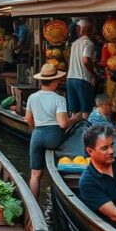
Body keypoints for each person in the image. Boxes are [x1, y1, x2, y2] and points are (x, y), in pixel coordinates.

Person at [26, 64, 82, 196]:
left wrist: (36, 130)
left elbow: (28, 119)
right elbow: (63, 124)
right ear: (54, 82)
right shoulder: (59, 99)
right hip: (54, 137)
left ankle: (33, 205)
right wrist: (75, 118)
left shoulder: (32, 97)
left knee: (35, 174)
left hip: (37, 136)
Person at [66, 19, 97, 118]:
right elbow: (86, 60)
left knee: (74, 110)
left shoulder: (74, 43)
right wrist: (93, 73)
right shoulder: (88, 43)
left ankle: (74, 130)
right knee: (85, 109)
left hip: (70, 79)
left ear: (81, 31)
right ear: (90, 30)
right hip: (82, 79)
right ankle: (85, 131)